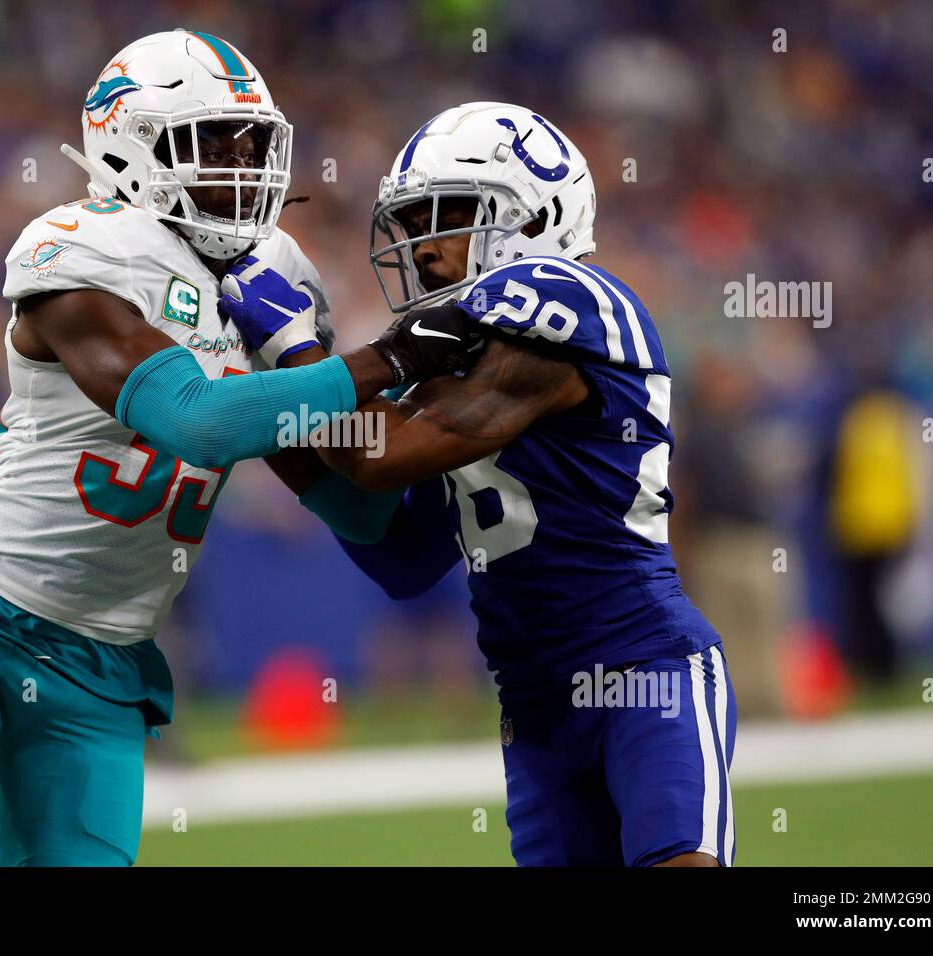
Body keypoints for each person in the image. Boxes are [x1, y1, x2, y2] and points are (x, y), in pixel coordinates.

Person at [0, 31, 479, 867]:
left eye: (252, 143)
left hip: (106, 666)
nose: (240, 165)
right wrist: (396, 355)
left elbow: (363, 514)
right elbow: (195, 420)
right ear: (130, 146)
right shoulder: (82, 248)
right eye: (212, 143)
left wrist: (458, 430)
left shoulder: (273, 270)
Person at [219, 102, 736, 867]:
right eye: (415, 220)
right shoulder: (467, 367)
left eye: (451, 214)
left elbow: (373, 455)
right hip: (533, 705)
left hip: (642, 673)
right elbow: (399, 553)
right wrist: (258, 416)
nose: (425, 248)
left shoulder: (568, 300)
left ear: (533, 218)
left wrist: (293, 357)